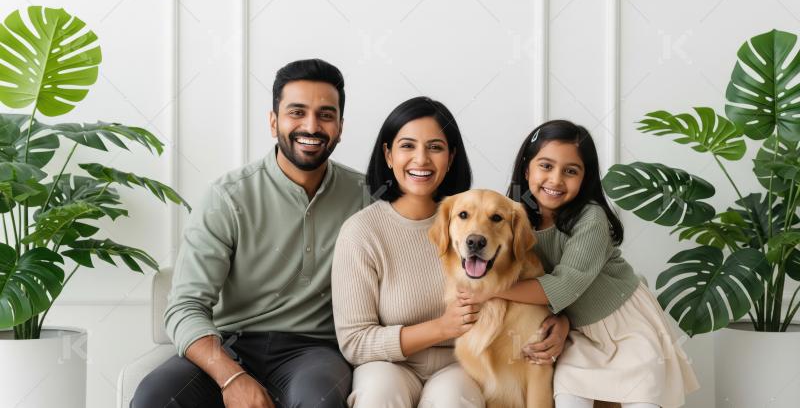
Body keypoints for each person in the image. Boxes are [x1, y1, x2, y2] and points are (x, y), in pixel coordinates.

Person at [131, 59, 366, 408]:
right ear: (273, 122)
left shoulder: (366, 196)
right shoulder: (227, 196)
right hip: (230, 343)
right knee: (156, 397)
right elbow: (184, 306)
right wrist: (231, 376)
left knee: (319, 399)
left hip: (314, 350)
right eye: (296, 112)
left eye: (326, 115)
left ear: (341, 127)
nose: (311, 126)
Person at [460, 120, 700, 408]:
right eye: (545, 166)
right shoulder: (511, 218)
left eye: (570, 171)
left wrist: (490, 289)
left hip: (625, 324)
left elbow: (564, 286)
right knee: (569, 395)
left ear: (584, 179)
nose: (556, 180)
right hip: (578, 332)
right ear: (527, 169)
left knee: (643, 395)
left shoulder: (591, 219)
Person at [331, 96, 488, 407]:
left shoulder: (476, 225)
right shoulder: (362, 231)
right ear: (388, 155)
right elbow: (355, 342)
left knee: (451, 399)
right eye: (407, 146)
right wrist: (441, 327)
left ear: (451, 156)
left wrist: (558, 323)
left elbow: (518, 289)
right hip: (387, 366)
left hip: (460, 363)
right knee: (378, 394)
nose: (421, 159)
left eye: (435, 147)